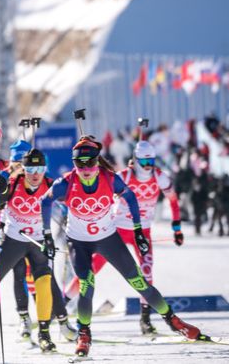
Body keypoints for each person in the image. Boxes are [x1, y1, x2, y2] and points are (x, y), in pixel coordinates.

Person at [42, 137, 203, 358]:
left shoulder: (110, 179)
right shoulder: (66, 183)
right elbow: (44, 201)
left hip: (109, 239)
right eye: (80, 164)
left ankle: (173, 321)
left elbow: (130, 197)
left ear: (97, 162)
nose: (86, 168)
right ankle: (84, 334)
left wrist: (138, 229)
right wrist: (46, 233)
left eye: (90, 163)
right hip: (79, 243)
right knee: (87, 286)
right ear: (74, 163)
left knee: (139, 282)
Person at [68, 140, 183, 335]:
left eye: (151, 162)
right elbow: (102, 183)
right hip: (117, 230)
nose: (148, 167)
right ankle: (62, 307)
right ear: (136, 160)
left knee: (145, 273)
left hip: (142, 231)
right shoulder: (125, 175)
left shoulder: (159, 176)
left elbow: (173, 199)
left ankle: (145, 320)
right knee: (91, 272)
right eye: (144, 162)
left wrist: (177, 227)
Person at [0, 149, 59, 351]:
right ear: (23, 169)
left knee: (44, 283)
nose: (35, 174)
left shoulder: (51, 186)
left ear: (45, 169)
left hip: (37, 244)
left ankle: (44, 334)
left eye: (40, 169)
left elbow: (72, 206)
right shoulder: (13, 185)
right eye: (31, 168)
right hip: (13, 242)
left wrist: (63, 234)